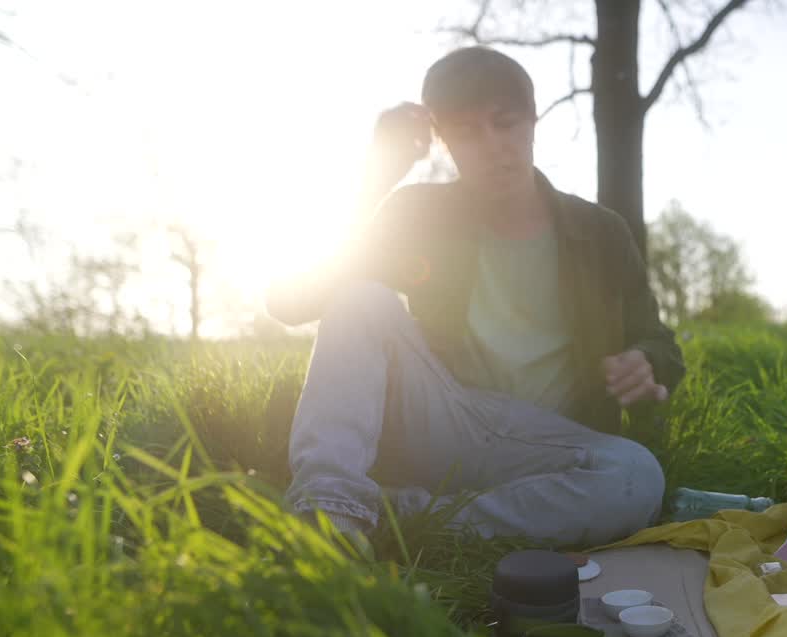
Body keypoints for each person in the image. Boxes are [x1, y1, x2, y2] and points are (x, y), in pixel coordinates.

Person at [266, 46, 683, 548]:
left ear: (532, 121)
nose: (491, 145)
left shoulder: (601, 231)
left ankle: (404, 516)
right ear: (441, 139)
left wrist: (646, 361)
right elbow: (291, 301)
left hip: (549, 442)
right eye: (466, 131)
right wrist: (376, 176)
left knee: (636, 476)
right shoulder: (418, 213)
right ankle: (328, 515)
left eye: (505, 123)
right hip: (447, 417)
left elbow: (657, 340)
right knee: (360, 299)